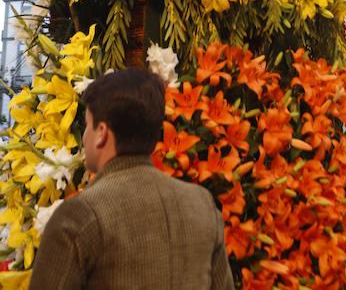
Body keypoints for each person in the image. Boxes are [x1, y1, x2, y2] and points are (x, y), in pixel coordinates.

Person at [29, 69, 234, 290]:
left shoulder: (81, 216)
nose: (85, 136)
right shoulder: (201, 204)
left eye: (88, 124)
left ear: (102, 133)